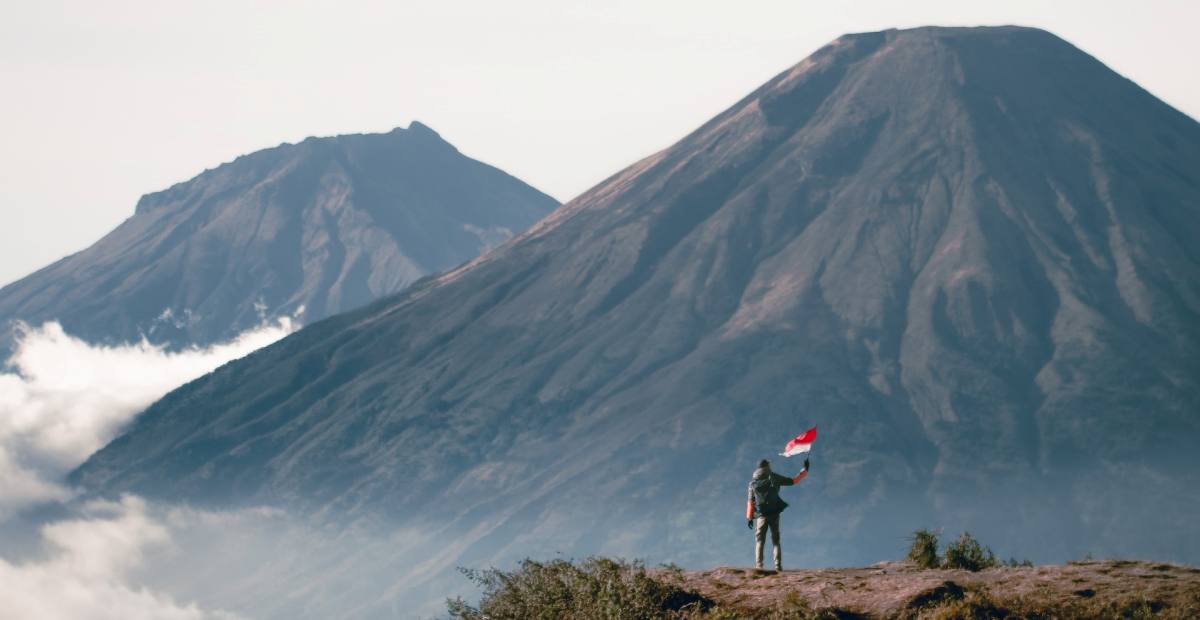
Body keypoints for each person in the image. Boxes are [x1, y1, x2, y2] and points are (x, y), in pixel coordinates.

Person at [746, 457, 809, 571]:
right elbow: (793, 481)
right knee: (776, 541)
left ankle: (759, 566)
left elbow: (751, 502)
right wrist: (804, 470)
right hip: (774, 513)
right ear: (767, 466)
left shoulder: (752, 483)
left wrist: (750, 517)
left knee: (760, 541)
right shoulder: (773, 477)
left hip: (761, 515)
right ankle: (778, 566)